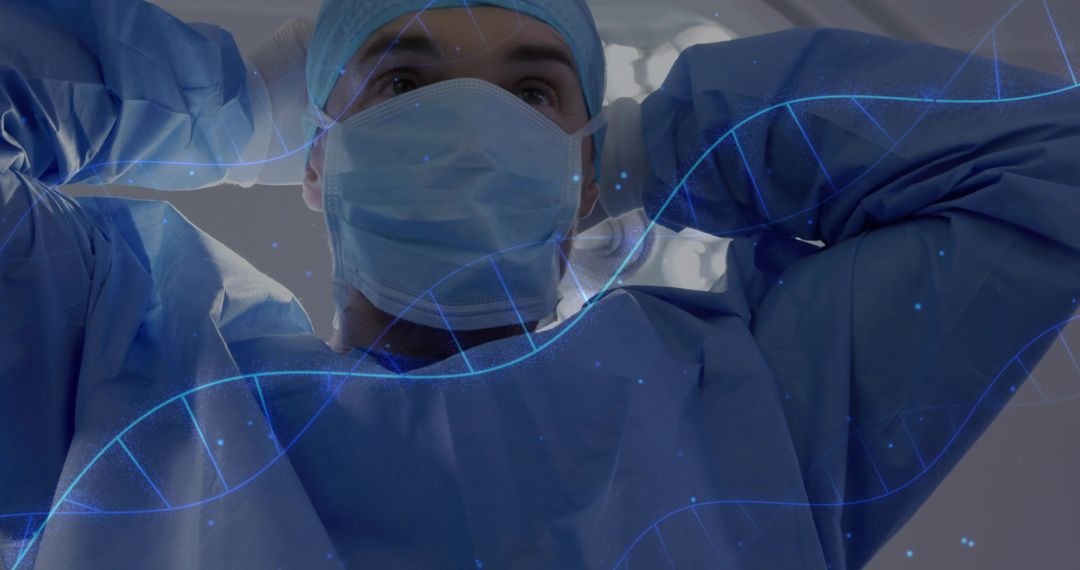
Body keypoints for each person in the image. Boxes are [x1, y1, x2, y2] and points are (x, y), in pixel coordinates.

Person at [1, 0, 1079, 568]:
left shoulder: (740, 402)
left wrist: (670, 145)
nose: (469, 127)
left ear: (584, 166)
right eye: (407, 80)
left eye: (531, 92)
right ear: (315, 156)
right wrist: (228, 102)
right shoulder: (129, 353)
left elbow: (1049, 165)